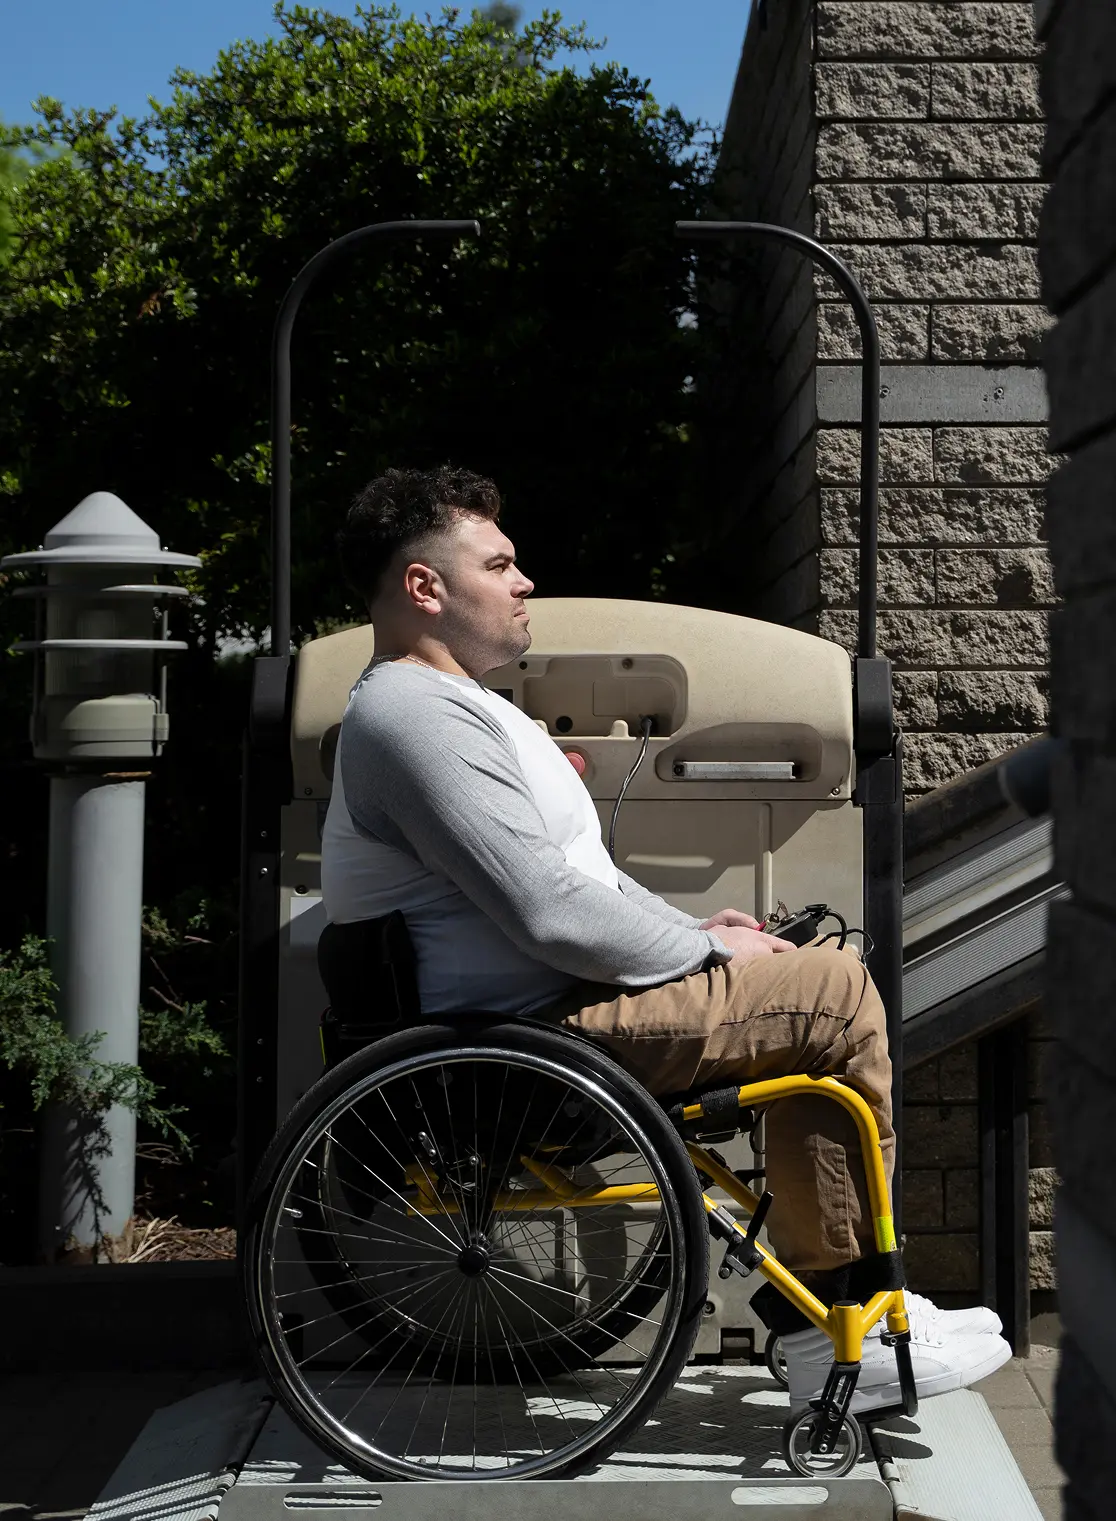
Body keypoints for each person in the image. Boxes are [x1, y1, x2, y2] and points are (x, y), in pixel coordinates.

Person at [320, 465, 1012, 1415]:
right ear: (424, 587)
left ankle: (848, 1315)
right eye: (500, 563)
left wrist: (694, 928)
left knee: (821, 980)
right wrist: (708, 956)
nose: (525, 582)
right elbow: (546, 908)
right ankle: (840, 1325)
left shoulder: (453, 706)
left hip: (543, 1010)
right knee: (834, 998)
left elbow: (574, 882)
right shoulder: (409, 714)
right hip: (525, 1034)